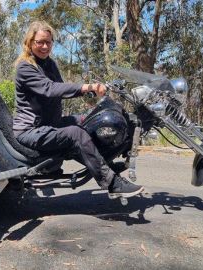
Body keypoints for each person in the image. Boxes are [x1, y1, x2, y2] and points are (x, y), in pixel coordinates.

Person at [12, 21, 144, 198]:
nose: (44, 46)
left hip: (50, 123)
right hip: (31, 130)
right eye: (39, 42)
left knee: (89, 121)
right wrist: (86, 87)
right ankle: (112, 183)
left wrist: (90, 94)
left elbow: (61, 89)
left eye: (48, 42)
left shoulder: (49, 64)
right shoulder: (25, 67)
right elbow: (50, 89)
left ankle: (105, 165)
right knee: (75, 133)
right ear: (30, 42)